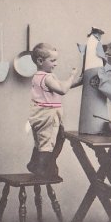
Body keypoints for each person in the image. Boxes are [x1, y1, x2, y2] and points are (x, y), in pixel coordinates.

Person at [27, 42, 79, 178]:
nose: (55, 64)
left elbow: (61, 86)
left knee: (43, 141)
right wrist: (72, 76)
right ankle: (42, 171)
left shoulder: (38, 76)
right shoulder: (47, 77)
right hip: (48, 115)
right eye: (53, 60)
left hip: (40, 115)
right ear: (40, 61)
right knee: (48, 143)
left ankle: (34, 164)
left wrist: (80, 81)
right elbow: (62, 89)